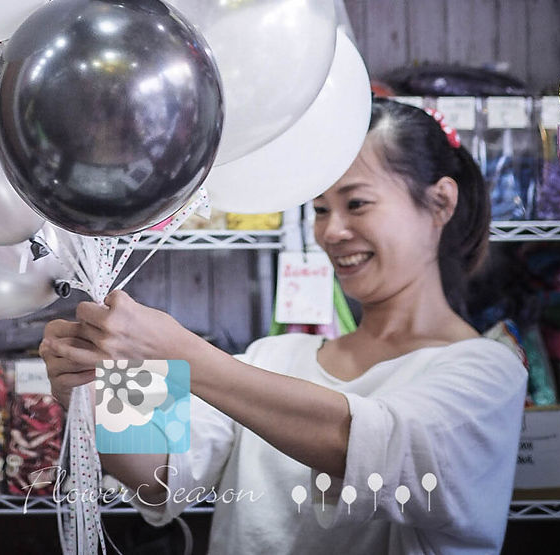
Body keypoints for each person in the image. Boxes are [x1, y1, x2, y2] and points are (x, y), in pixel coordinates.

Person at [40, 99, 528, 555]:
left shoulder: (487, 369)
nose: (331, 231)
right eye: (319, 210)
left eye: (356, 204)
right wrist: (99, 386)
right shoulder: (273, 356)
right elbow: (164, 475)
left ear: (440, 203)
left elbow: (377, 448)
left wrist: (182, 353)